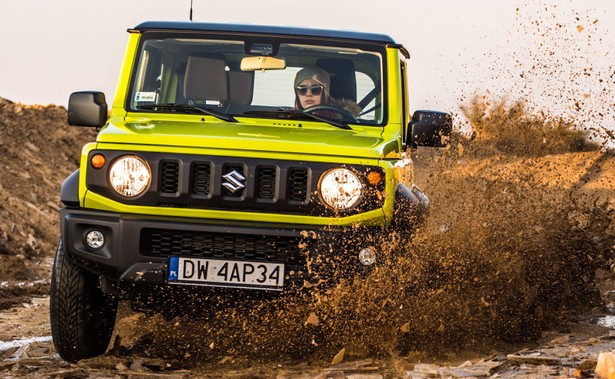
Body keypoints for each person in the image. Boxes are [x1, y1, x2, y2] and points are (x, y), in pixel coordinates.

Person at [293, 65, 360, 118]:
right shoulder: (289, 120)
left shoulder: (345, 120)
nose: (308, 94)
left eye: (315, 89)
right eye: (302, 89)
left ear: (325, 92)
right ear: (297, 94)